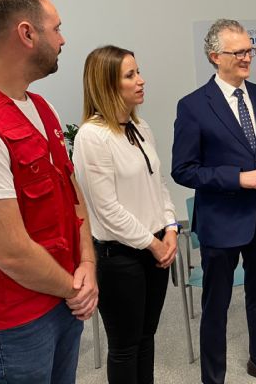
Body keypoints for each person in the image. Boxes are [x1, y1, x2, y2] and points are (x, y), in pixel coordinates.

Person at [0, 0, 97, 383]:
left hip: (63, 296)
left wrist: (87, 262)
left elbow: (72, 194)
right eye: (56, 28)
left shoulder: (41, 107)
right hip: (13, 318)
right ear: (26, 33)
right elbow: (10, 251)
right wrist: (75, 288)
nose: (63, 39)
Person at [171, 19, 256, 384]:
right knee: (216, 306)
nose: (247, 58)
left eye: (249, 50)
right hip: (221, 223)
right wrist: (237, 178)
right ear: (214, 56)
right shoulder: (193, 106)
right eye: (237, 52)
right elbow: (184, 170)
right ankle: (213, 378)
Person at [72, 45, 178, 384]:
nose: (141, 81)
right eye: (130, 75)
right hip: (119, 258)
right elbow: (106, 208)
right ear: (106, 84)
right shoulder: (93, 135)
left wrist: (171, 227)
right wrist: (154, 243)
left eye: (138, 72)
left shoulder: (140, 126)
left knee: (146, 338)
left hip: (155, 249)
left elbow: (158, 183)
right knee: (124, 346)